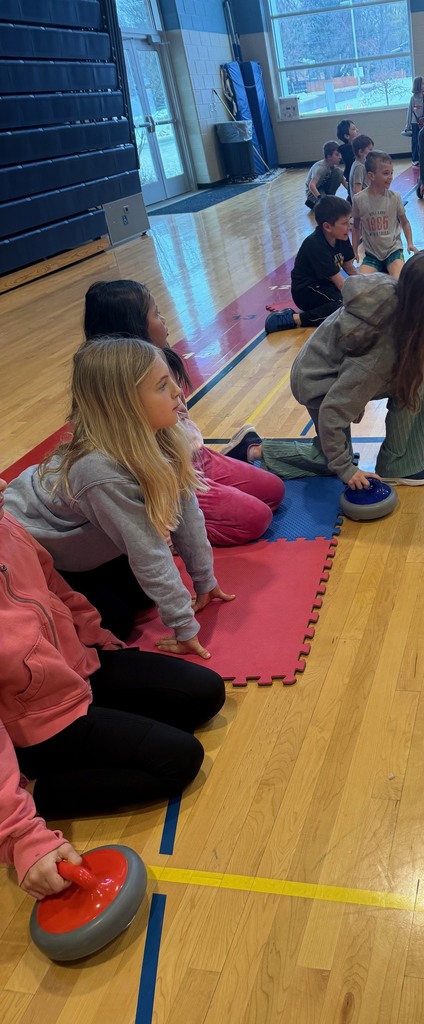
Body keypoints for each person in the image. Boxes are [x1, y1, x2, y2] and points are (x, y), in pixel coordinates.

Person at [0, 475, 225, 900]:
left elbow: (52, 586)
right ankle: (37, 788)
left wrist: (95, 635)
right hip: (39, 722)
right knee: (180, 759)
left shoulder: (5, 526)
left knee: (205, 694)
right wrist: (21, 836)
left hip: (77, 668)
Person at [5, 336, 236, 652]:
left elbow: (188, 514)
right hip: (33, 547)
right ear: (124, 405)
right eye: (161, 386)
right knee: (115, 622)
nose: (178, 392)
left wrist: (204, 581)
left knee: (144, 597)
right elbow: (147, 550)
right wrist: (184, 625)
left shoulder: (166, 433)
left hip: (89, 542)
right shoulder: (100, 470)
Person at [83, 280, 285, 544]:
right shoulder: (120, 390)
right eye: (155, 314)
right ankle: (173, 535)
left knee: (274, 490)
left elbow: (181, 419)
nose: (164, 319)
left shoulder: (161, 361)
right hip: (171, 474)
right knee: (255, 518)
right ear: (133, 327)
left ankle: (230, 461)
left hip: (195, 456)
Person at [240, 251, 424, 488]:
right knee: (329, 461)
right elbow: (332, 413)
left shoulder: (402, 298)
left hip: (336, 370)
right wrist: (345, 468)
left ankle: (401, 465)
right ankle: (252, 450)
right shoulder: (380, 353)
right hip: (316, 381)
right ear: (422, 307)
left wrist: (354, 395)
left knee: (412, 380)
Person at [264, 196, 358, 335]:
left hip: (325, 286)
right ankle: (295, 319)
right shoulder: (315, 245)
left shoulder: (341, 237)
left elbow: (349, 267)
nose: (348, 227)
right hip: (306, 291)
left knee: (349, 303)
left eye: (349, 221)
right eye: (344, 223)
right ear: (327, 227)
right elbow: (341, 285)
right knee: (342, 306)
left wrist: (368, 286)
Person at [351, 150, 416, 281]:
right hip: (372, 255)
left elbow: (405, 222)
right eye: (386, 173)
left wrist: (409, 242)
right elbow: (356, 227)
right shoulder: (359, 199)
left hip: (393, 251)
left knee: (399, 281)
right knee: (361, 285)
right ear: (371, 175)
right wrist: (354, 250)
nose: (391, 177)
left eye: (391, 173)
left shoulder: (395, 197)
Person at [305, 141, 347, 210]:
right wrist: (320, 199)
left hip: (323, 189)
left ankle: (328, 199)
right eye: (337, 155)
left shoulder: (333, 167)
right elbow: (311, 185)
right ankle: (314, 203)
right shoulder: (321, 167)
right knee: (332, 208)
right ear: (329, 156)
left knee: (339, 172)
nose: (340, 157)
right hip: (313, 193)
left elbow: (344, 182)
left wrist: (352, 193)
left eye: (340, 154)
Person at [404, 76, 424, 166]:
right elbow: (410, 111)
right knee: (415, 140)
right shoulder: (413, 98)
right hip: (415, 122)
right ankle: (415, 158)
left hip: (423, 122)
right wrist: (408, 124)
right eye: (422, 84)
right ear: (417, 85)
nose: (423, 86)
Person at [336, 119, 358, 197]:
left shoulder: (355, 147)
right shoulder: (346, 149)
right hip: (353, 175)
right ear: (347, 136)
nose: (357, 130)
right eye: (354, 129)